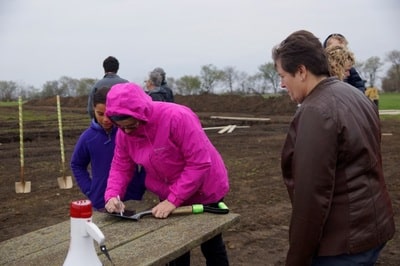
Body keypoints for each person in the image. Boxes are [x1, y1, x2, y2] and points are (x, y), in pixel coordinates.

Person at [272, 30, 395, 266]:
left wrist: (297, 258)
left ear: (301, 71)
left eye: (283, 75)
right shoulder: (355, 96)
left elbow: (311, 196)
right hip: (373, 229)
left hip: (343, 245)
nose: (282, 84)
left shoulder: (316, 111)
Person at [104, 82, 230, 266]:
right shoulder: (124, 133)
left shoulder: (177, 117)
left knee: (211, 245)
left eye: (131, 125)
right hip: (169, 192)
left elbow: (199, 163)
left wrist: (174, 199)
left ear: (142, 114)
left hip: (205, 188)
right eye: (121, 127)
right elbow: (120, 166)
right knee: (176, 248)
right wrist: (112, 195)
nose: (127, 131)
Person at [71, 87, 146, 210]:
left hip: (132, 198)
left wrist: (140, 184)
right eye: (100, 114)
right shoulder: (87, 138)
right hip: (100, 202)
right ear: (93, 109)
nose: (105, 119)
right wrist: (90, 190)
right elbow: (77, 164)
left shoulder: (128, 132)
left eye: (109, 114)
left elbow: (146, 159)